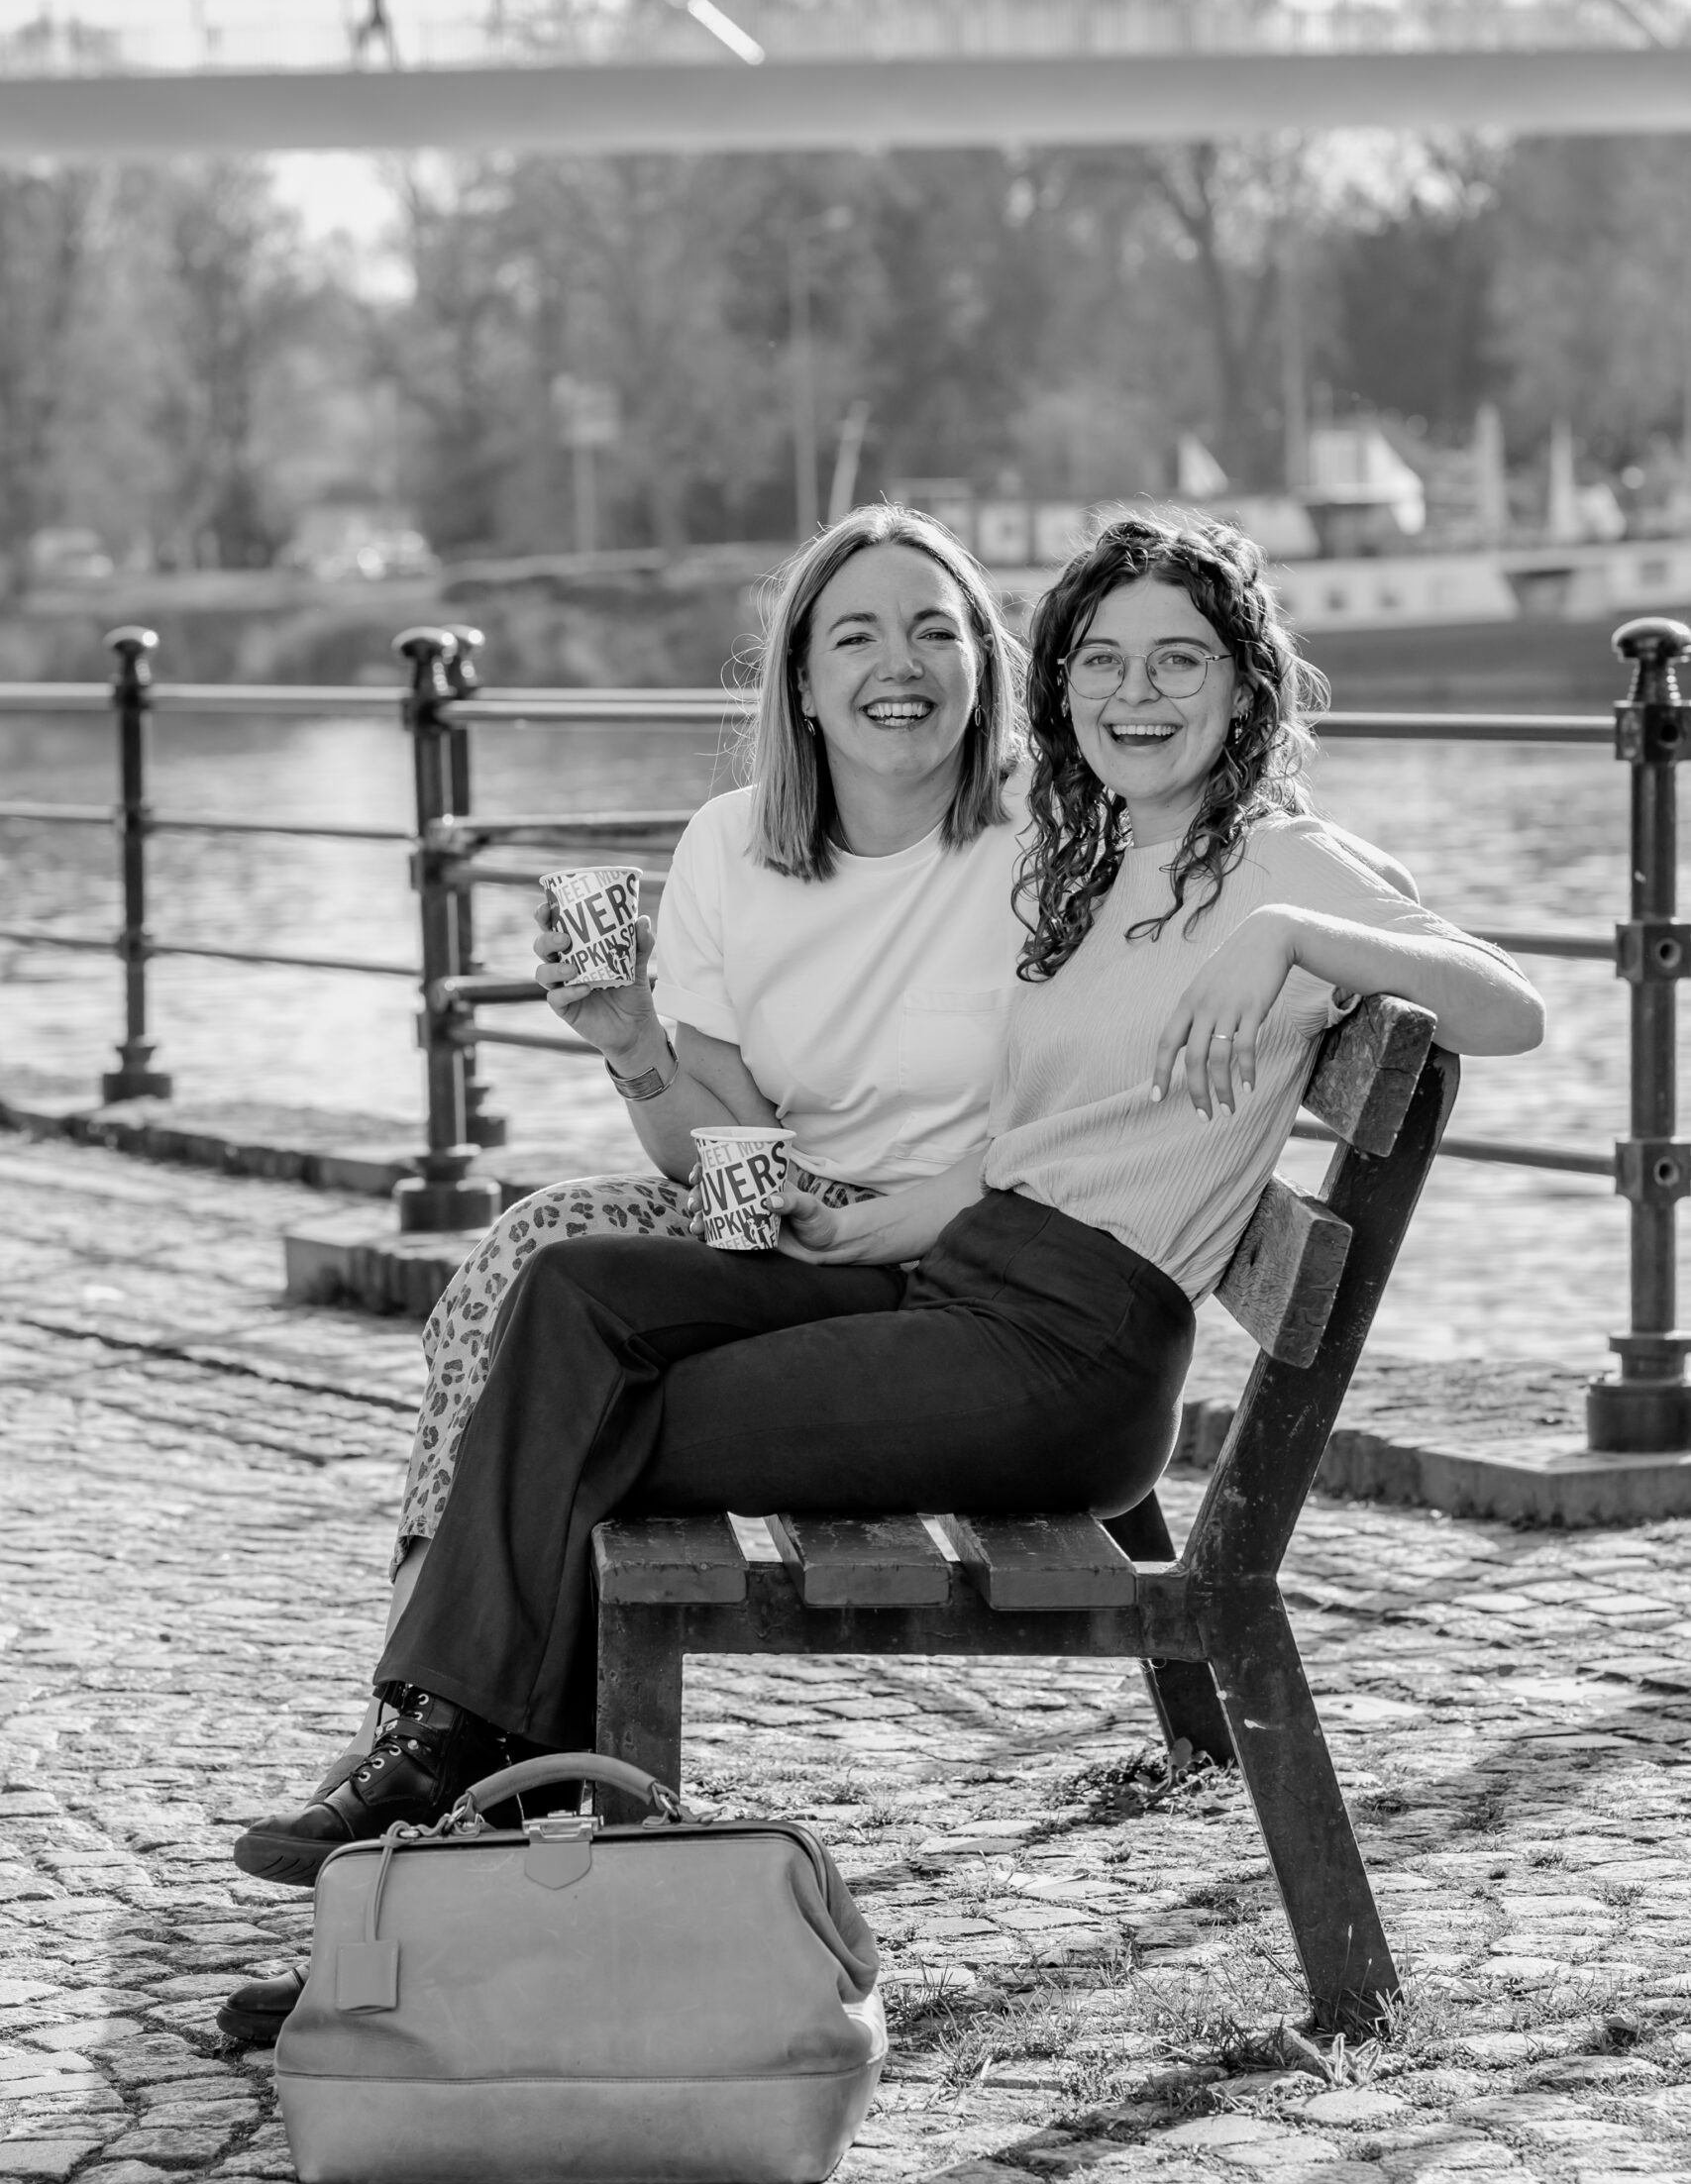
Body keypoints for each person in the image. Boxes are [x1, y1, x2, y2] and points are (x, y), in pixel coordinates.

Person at [233, 509, 1542, 1888]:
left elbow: (1508, 1006)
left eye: (1180, 662)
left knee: (581, 1427)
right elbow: (1039, 1146)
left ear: (1244, 683)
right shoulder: (1093, 859)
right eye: (1104, 661)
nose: (1136, 694)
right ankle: (478, 1795)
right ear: (1062, 687)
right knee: (569, 1291)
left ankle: (456, 1806)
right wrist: (874, 1219)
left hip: (1072, 1356)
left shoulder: (1275, 861)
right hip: (973, 1286)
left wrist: (1289, 933)